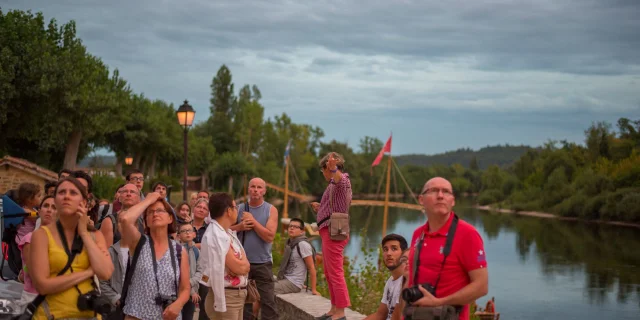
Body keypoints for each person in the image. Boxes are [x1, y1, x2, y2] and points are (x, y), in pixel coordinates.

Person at [28, 177, 114, 319]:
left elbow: (105, 273)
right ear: (55, 200)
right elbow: (42, 285)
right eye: (61, 192)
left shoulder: (94, 235)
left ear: (84, 203)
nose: (67, 196)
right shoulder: (41, 236)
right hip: (52, 315)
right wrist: (88, 272)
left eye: (73, 193)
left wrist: (84, 233)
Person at [406, 177, 488, 320]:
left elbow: (481, 286)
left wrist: (438, 302)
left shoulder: (468, 234)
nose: (440, 196)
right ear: (421, 199)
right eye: (433, 191)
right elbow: (411, 280)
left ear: (453, 201)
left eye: (446, 192)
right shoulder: (418, 234)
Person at [118, 192, 190, 320]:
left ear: (170, 218)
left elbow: (185, 288)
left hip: (168, 316)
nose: (155, 214)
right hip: (137, 315)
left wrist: (178, 305)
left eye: (160, 210)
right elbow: (126, 219)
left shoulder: (179, 250)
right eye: (150, 212)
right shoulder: (138, 243)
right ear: (146, 222)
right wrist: (149, 199)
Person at [312, 152, 352, 320]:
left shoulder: (342, 181)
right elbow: (338, 205)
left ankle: (341, 312)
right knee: (329, 272)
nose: (323, 174)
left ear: (327, 168)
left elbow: (340, 180)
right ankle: (334, 308)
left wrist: (333, 168)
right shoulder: (332, 185)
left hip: (334, 233)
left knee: (335, 272)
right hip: (328, 231)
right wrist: (321, 207)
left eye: (324, 171)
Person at [232, 178, 278, 320]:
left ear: (264, 191)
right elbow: (224, 231)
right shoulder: (239, 208)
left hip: (262, 263)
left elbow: (270, 237)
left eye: (259, 187)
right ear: (249, 189)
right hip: (240, 263)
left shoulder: (271, 209)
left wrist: (253, 222)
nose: (256, 190)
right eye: (253, 187)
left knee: (268, 302)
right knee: (244, 304)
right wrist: (239, 227)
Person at [203, 192, 250, 320]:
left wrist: (243, 265)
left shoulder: (226, 233)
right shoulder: (217, 236)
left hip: (236, 296)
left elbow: (244, 263)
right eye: (235, 208)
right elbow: (239, 268)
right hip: (228, 297)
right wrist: (243, 266)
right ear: (229, 211)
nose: (237, 211)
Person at [16, 195, 57, 307]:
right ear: (39, 211)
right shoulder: (30, 239)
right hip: (32, 299)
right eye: (46, 206)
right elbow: (35, 275)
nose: (49, 210)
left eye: (54, 207)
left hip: (55, 300)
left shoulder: (61, 241)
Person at [364, 234, 408, 320]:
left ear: (404, 253)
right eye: (385, 249)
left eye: (394, 249)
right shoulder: (390, 281)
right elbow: (380, 315)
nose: (388, 253)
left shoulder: (405, 282)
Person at [274, 218, 319, 295]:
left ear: (302, 231)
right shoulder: (289, 243)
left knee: (265, 288)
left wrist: (314, 290)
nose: (292, 228)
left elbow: (311, 267)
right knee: (260, 283)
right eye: (290, 226)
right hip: (285, 279)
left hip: (293, 283)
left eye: (295, 227)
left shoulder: (303, 244)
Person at [99, 222, 128, 320]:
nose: (124, 225)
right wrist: (116, 299)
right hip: (117, 310)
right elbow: (102, 282)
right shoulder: (111, 252)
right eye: (121, 222)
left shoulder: (143, 251)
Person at [100, 183, 143, 247]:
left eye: (132, 192)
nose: (128, 194)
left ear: (139, 199)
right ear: (119, 198)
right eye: (125, 191)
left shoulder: (142, 222)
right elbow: (105, 253)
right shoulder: (109, 222)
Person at [177, 222, 200, 320]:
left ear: (194, 234)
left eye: (189, 230)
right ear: (178, 236)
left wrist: (192, 288)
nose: (187, 233)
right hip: (178, 293)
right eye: (183, 231)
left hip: (192, 293)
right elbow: (178, 274)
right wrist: (191, 291)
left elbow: (200, 271)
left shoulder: (196, 251)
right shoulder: (176, 251)